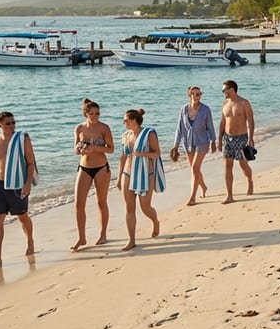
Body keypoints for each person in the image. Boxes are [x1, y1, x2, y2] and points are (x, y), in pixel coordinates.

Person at [0, 111, 36, 269]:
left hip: (17, 184)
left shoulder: (22, 139)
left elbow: (30, 163)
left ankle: (30, 241)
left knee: (22, 216)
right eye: (8, 123)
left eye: (13, 122)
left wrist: (27, 184)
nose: (12, 126)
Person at [70, 98, 113, 251]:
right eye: (92, 114)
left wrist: (94, 148)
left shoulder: (104, 128)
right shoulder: (79, 128)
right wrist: (79, 149)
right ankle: (81, 238)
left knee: (101, 202)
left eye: (97, 113)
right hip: (84, 167)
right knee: (78, 203)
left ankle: (103, 234)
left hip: (101, 167)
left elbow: (111, 149)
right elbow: (75, 149)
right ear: (85, 114)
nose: (95, 116)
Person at [117, 108, 162, 251]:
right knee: (129, 208)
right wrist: (118, 178)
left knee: (145, 207)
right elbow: (123, 157)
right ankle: (131, 240)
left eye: (126, 120)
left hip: (145, 174)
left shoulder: (149, 134)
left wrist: (141, 154)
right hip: (127, 174)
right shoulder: (126, 135)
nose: (124, 122)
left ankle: (155, 222)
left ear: (135, 120)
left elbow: (157, 154)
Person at [172, 85, 216, 206]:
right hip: (187, 143)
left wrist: (213, 141)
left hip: (202, 142)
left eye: (199, 94)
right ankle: (204, 187)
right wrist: (175, 145)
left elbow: (210, 126)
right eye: (194, 94)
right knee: (194, 169)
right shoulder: (183, 109)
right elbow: (179, 128)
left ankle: (192, 197)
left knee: (195, 168)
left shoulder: (206, 110)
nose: (196, 96)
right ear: (189, 95)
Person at [218, 79, 255, 204]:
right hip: (227, 138)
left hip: (241, 138)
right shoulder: (224, 104)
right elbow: (222, 122)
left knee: (243, 164)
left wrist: (250, 138)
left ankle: (249, 180)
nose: (223, 92)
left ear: (231, 89)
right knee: (227, 166)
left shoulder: (244, 103)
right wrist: (219, 139)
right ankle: (229, 195)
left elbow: (250, 121)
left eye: (224, 90)